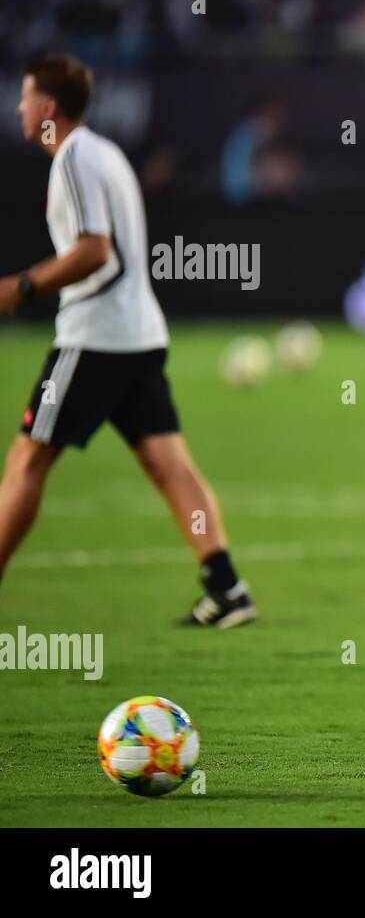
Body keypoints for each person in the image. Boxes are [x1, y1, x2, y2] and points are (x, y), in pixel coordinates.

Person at [0, 54, 257, 628]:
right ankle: (226, 587)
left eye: (24, 98)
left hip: (94, 337)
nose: (18, 108)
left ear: (47, 107)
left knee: (27, 457)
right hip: (139, 335)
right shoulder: (106, 152)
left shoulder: (72, 157)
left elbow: (96, 250)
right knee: (169, 464)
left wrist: (21, 287)